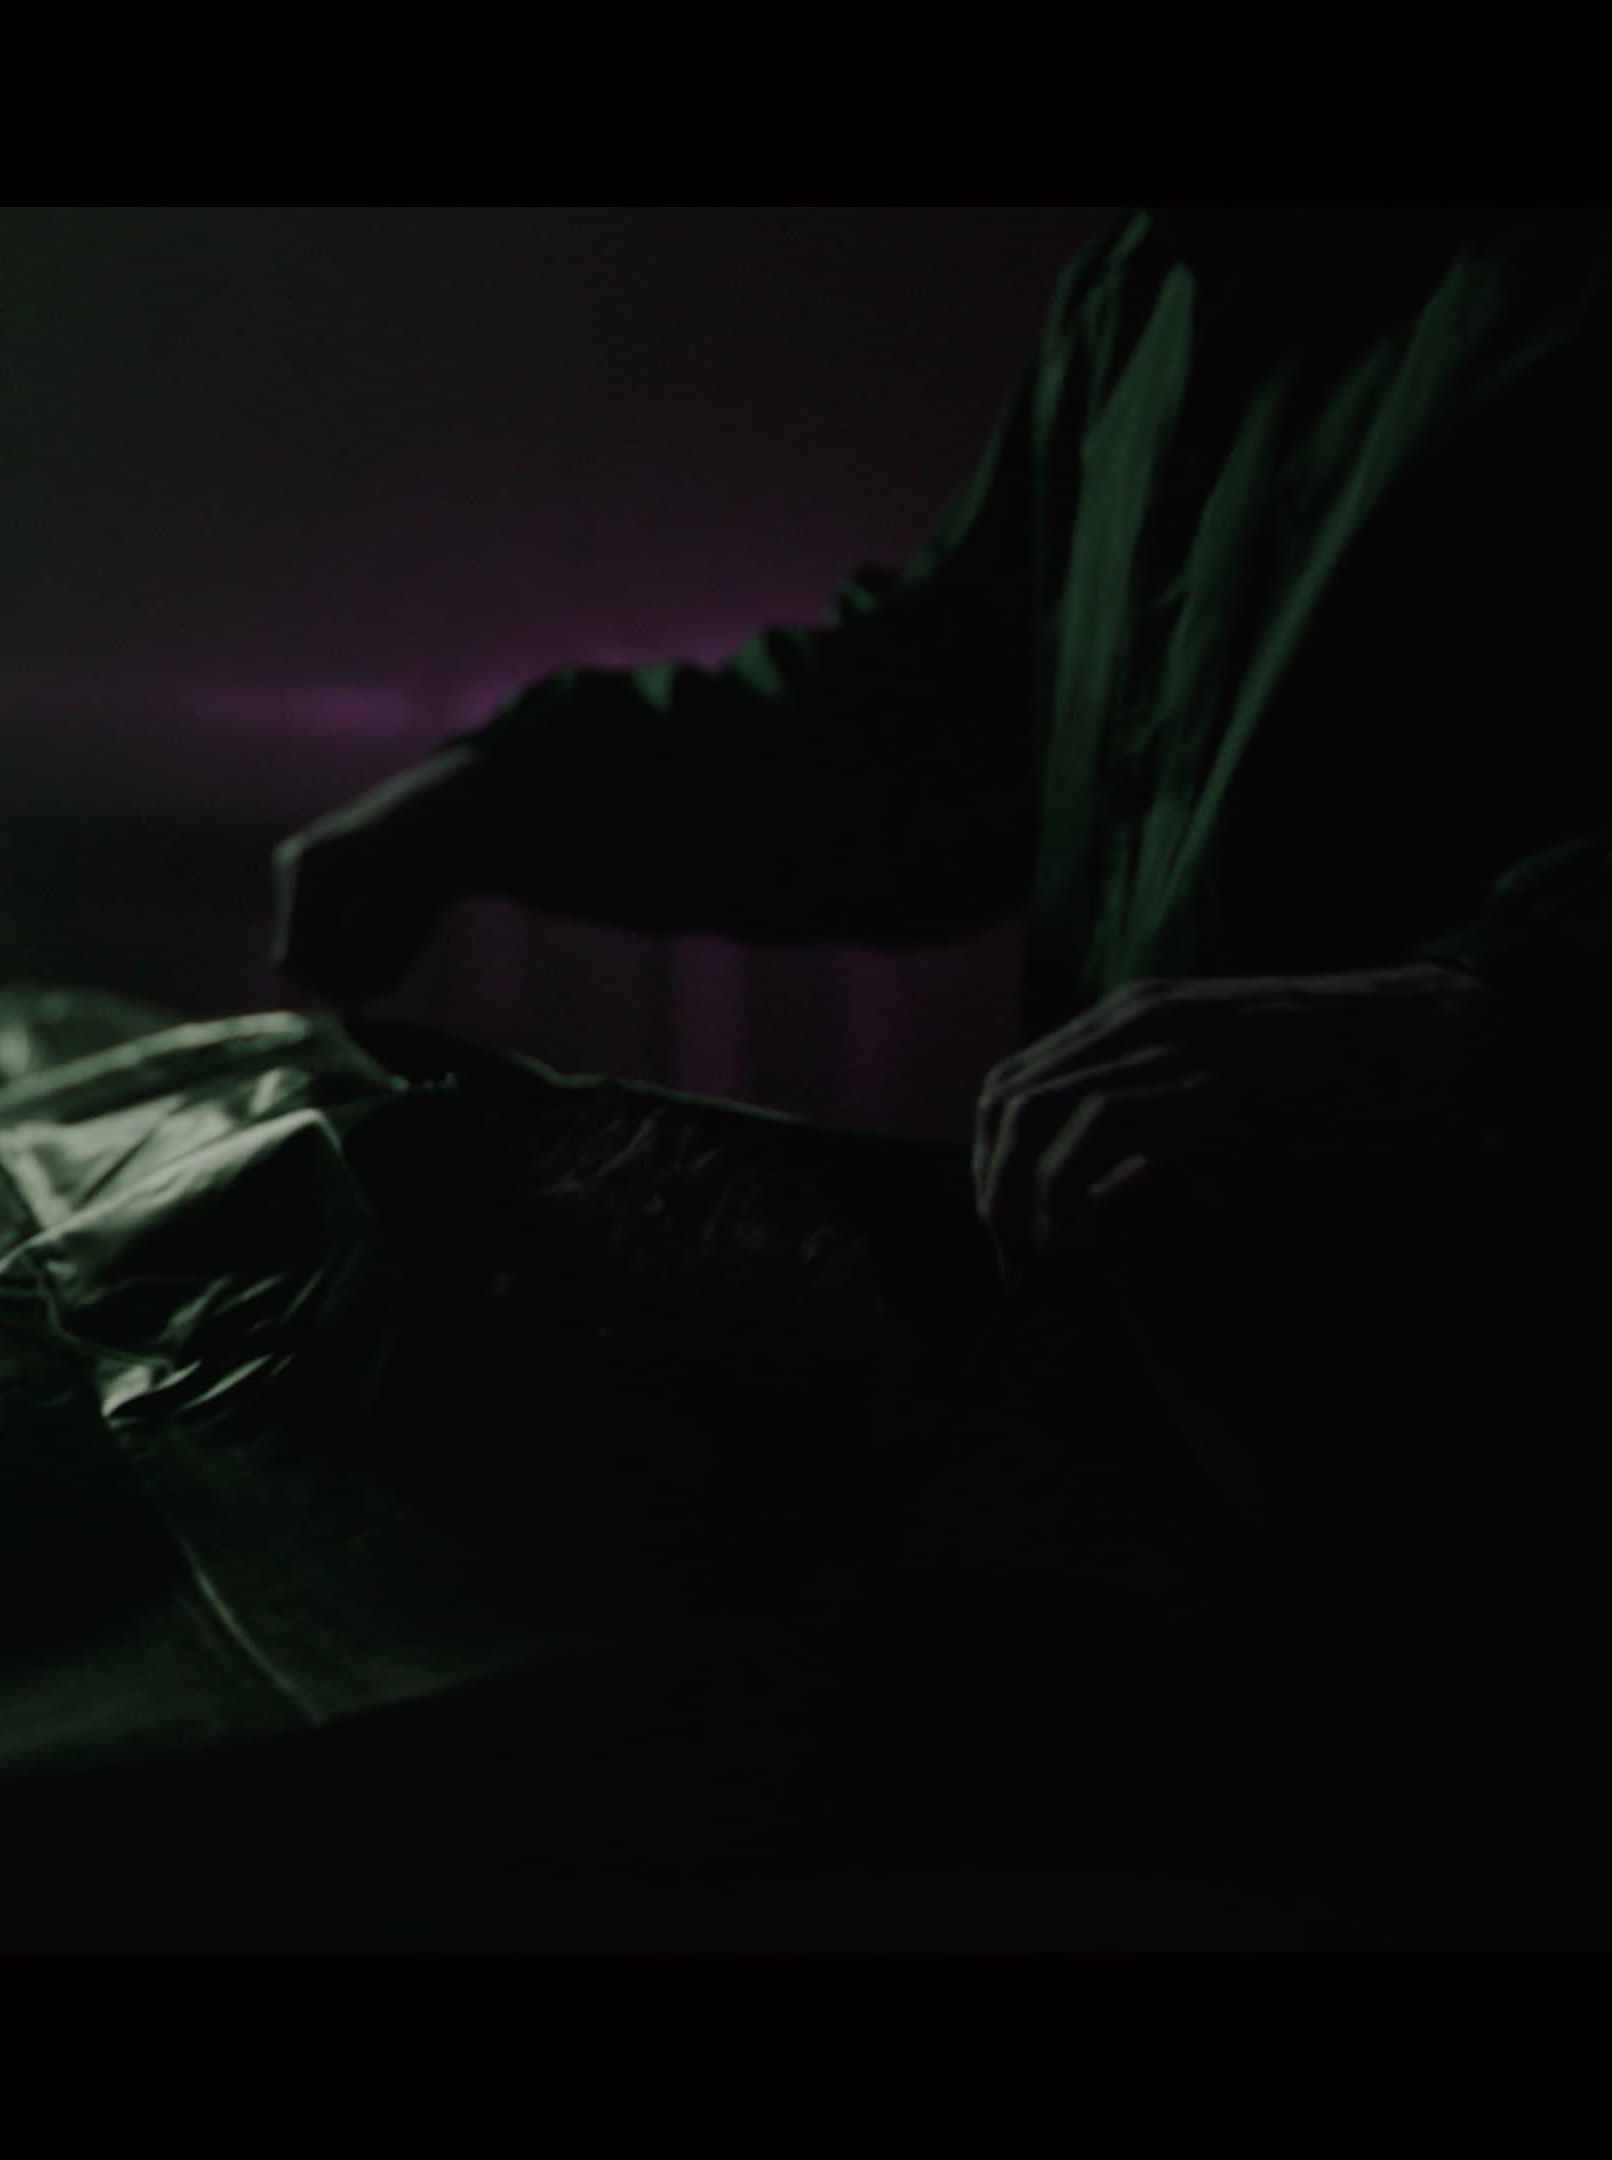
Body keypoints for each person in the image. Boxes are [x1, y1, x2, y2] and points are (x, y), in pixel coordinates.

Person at [270, 207, 1612, 1935]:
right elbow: (938, 730)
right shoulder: (1153, 285)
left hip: (1517, 1536)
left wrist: (1484, 1011)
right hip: (1188, 1485)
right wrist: (518, 791)